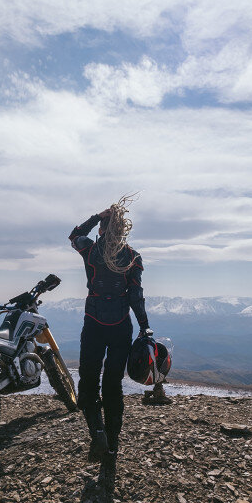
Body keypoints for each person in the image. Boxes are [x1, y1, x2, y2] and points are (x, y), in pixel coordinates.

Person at [68, 195, 150, 476]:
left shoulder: (91, 251)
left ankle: (97, 431)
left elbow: (74, 235)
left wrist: (96, 215)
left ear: (102, 230)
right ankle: (112, 448)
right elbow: (136, 295)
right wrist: (144, 326)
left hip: (93, 323)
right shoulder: (133, 257)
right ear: (122, 229)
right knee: (113, 386)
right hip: (121, 326)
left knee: (88, 381)